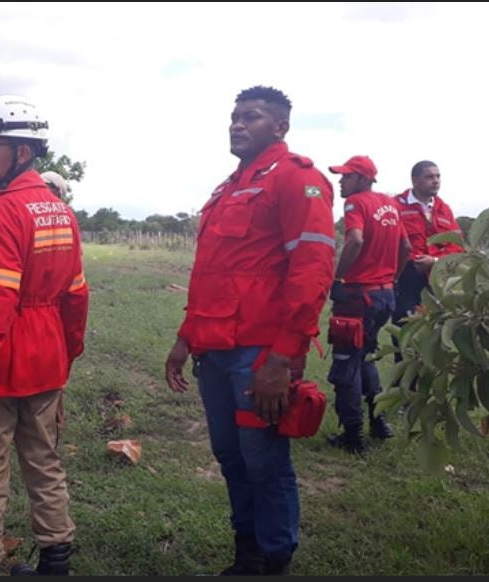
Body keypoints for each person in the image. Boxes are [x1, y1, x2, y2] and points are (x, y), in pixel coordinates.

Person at [164, 86, 334, 575]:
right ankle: (247, 552)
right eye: (234, 117)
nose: (237, 124)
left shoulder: (297, 180)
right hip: (213, 352)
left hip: (258, 355)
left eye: (251, 117)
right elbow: (212, 273)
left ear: (279, 126)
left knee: (263, 460)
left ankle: (273, 559)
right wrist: (184, 337)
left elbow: (312, 270)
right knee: (229, 456)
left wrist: (282, 359)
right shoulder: (229, 188)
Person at [0, 95, 89, 576]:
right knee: (45, 464)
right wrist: (65, 360)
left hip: (1, 363)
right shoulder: (62, 212)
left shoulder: (4, 212)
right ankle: (56, 562)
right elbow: (76, 297)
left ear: (22, 152)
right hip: (47, 356)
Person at [325, 156, 410, 453]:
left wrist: (338, 278)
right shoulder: (391, 205)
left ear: (362, 179)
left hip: (358, 297)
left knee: (346, 363)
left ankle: (352, 436)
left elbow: (356, 241)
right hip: (385, 296)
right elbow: (406, 247)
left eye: (346, 176)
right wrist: (392, 279)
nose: (340, 181)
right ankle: (378, 422)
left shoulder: (355, 203)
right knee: (366, 356)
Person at [392, 161, 464, 326]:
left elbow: (457, 246)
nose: (436, 180)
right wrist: (416, 260)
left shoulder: (444, 209)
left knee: (436, 330)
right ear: (415, 180)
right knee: (407, 328)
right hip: (406, 278)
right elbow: (391, 243)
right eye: (429, 177)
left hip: (437, 279)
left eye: (438, 176)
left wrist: (435, 261)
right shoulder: (396, 205)